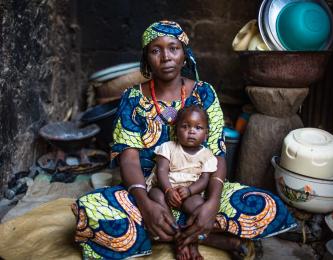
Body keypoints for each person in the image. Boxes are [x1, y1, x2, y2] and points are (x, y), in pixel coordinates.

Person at [72, 20, 297, 260]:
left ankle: (177, 230)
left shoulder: (204, 93)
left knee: (263, 204)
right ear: (146, 58)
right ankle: (207, 236)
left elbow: (217, 155)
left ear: (184, 54)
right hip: (149, 191)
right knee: (90, 211)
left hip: (199, 189)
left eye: (173, 48)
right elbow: (128, 159)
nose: (166, 57)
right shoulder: (132, 98)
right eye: (155, 50)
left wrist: (211, 204)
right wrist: (146, 207)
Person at [146, 105, 218, 259]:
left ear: (206, 134)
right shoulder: (168, 147)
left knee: (198, 205)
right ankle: (176, 233)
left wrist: (190, 191)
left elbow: (205, 179)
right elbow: (162, 171)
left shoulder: (207, 156)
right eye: (185, 126)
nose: (191, 131)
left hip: (189, 191)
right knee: (155, 194)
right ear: (176, 130)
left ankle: (191, 242)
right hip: (164, 187)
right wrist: (168, 191)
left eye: (198, 128)